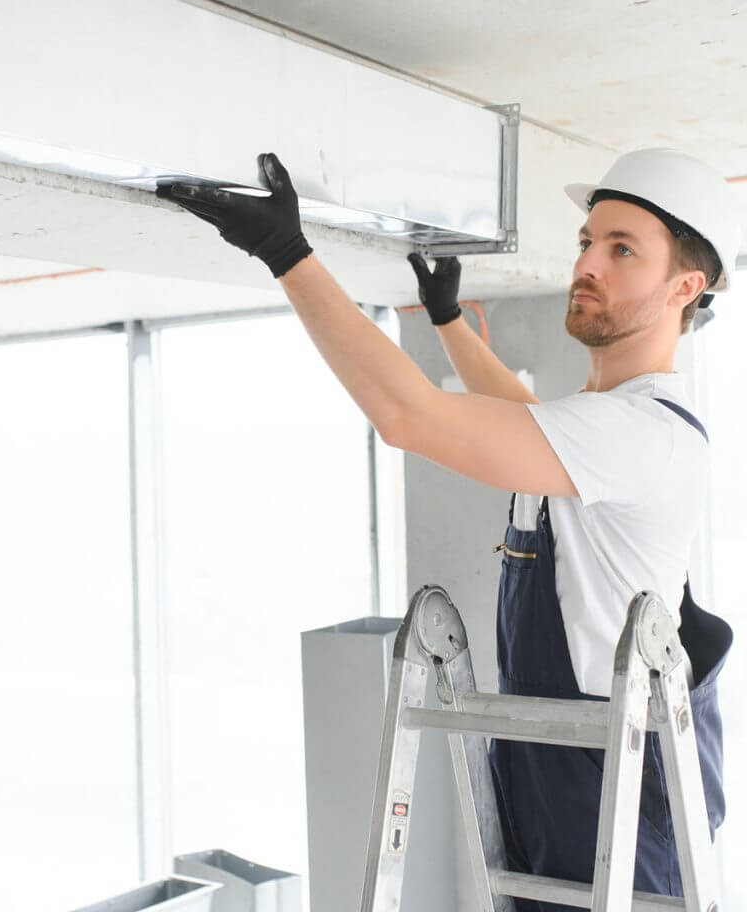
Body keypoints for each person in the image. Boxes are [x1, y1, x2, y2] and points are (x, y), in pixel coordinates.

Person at [156, 147, 739, 906]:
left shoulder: (642, 435)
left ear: (684, 288)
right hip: (562, 758)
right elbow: (525, 423)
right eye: (587, 242)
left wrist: (285, 253)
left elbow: (407, 418)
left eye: (622, 249)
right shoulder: (608, 430)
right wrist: (449, 323)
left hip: (611, 781)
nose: (589, 262)